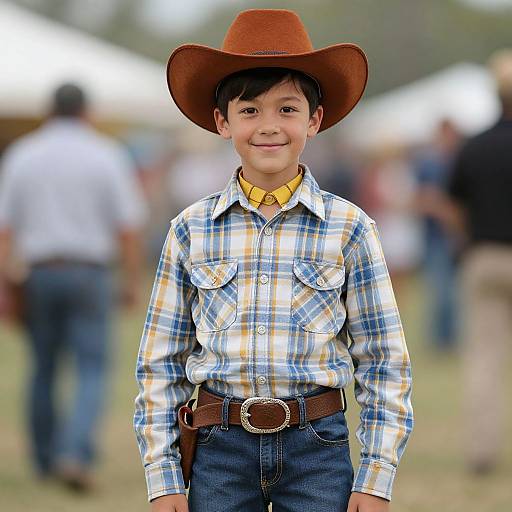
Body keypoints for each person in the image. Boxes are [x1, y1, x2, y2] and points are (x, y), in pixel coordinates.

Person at [134, 9, 413, 512]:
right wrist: (163, 477)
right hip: (219, 448)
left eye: (287, 110)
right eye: (249, 111)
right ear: (222, 122)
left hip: (318, 450)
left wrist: (375, 478)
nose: (269, 126)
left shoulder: (350, 228)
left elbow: (384, 361)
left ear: (315, 119)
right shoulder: (189, 230)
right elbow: (159, 365)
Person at [0, 83, 148, 490]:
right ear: (87, 112)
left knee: (42, 367)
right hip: (90, 272)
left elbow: (5, 229)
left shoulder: (23, 154)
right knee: (91, 368)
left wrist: (5, 287)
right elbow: (128, 227)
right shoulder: (106, 154)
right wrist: (131, 280)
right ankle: (74, 452)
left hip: (38, 271)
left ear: (50, 111)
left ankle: (45, 458)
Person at [445, 49, 512, 474]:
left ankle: (483, 451)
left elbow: (454, 204)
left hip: (484, 255)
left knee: (485, 359)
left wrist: (465, 240)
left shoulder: (475, 144)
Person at [413, 119, 463, 352]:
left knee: (455, 292)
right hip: (435, 237)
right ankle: (440, 341)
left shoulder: (458, 162)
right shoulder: (428, 164)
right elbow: (420, 200)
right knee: (441, 291)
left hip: (456, 238)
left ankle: (451, 338)